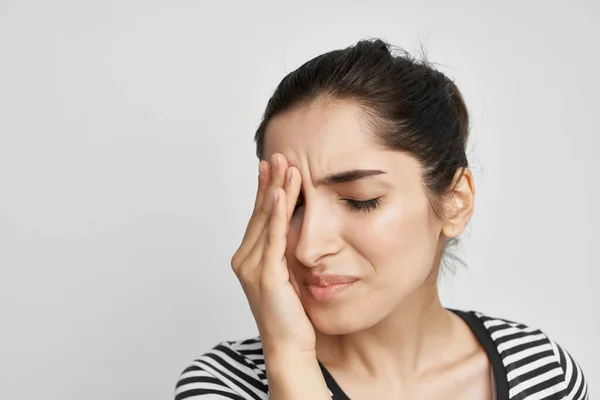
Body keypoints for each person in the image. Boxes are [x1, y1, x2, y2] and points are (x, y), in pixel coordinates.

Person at [174, 38, 589, 399]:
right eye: (292, 204)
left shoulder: (540, 371)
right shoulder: (227, 385)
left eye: (360, 200)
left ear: (455, 202)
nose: (308, 247)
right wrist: (289, 359)